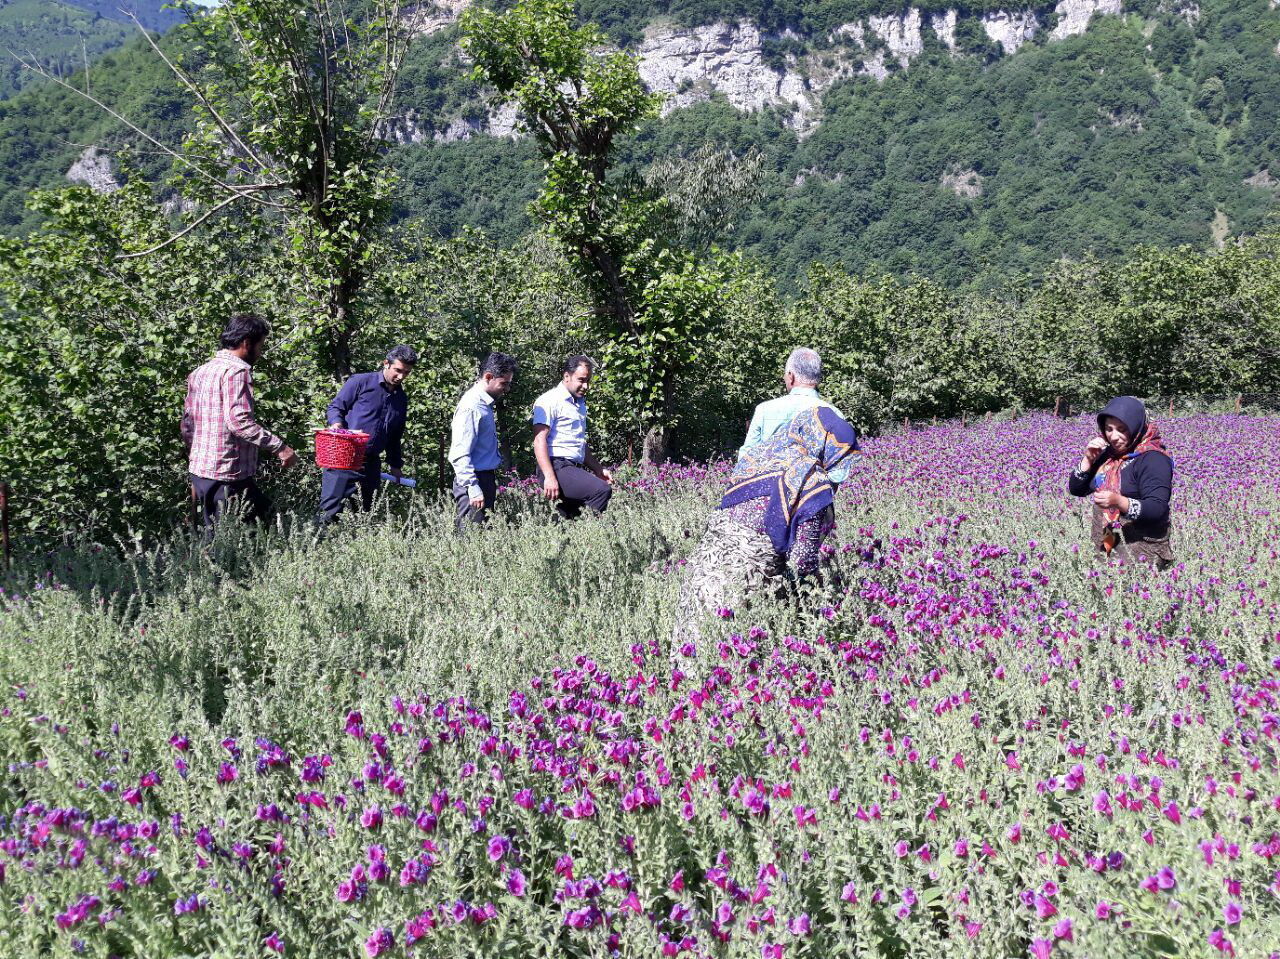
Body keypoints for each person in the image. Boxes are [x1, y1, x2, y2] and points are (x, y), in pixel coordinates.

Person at [672, 405, 860, 651]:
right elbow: (802, 562)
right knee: (734, 663)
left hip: (703, 573)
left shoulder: (762, 455)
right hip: (745, 587)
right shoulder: (813, 483)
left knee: (694, 660)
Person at [182, 313, 299, 527]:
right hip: (227, 474)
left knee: (257, 519)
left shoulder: (200, 372)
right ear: (247, 343)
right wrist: (280, 448)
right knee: (230, 540)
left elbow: (187, 424)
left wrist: (196, 459)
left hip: (202, 471)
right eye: (261, 346)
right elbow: (239, 422)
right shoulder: (237, 372)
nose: (261, 353)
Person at [1069, 395, 1175, 568]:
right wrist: (1088, 460)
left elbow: (1157, 509)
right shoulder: (1109, 456)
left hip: (1142, 552)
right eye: (1109, 429)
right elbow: (1077, 489)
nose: (1114, 436)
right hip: (1108, 545)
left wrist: (1119, 502)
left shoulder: (1153, 459)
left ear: (1136, 427)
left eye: (1121, 429)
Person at [317, 345, 416, 524]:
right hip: (343, 460)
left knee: (364, 518)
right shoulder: (360, 382)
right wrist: (336, 425)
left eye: (407, 373)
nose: (401, 377)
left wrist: (395, 465)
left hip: (371, 465)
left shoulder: (401, 398)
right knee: (329, 515)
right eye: (398, 370)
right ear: (386, 363)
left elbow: (395, 435)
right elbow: (336, 407)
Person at [740, 347, 854, 484]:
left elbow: (745, 461)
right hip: (816, 501)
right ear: (818, 378)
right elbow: (840, 474)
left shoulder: (764, 410)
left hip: (770, 498)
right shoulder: (835, 414)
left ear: (791, 376)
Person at [531, 355, 612, 520]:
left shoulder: (579, 404)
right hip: (556, 467)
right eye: (581, 380)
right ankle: (587, 539)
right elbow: (539, 440)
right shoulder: (549, 400)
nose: (586, 386)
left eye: (588, 380)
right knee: (601, 490)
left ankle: (570, 540)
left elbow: (580, 444)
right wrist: (549, 477)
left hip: (571, 468)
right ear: (566, 376)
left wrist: (598, 469)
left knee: (567, 519)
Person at [449, 351, 518, 530]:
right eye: (504, 383)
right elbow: (459, 454)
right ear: (488, 377)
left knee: (481, 540)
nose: (507, 389)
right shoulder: (471, 406)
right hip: (472, 480)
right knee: (470, 541)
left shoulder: (483, 404)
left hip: (483, 478)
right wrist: (472, 487)